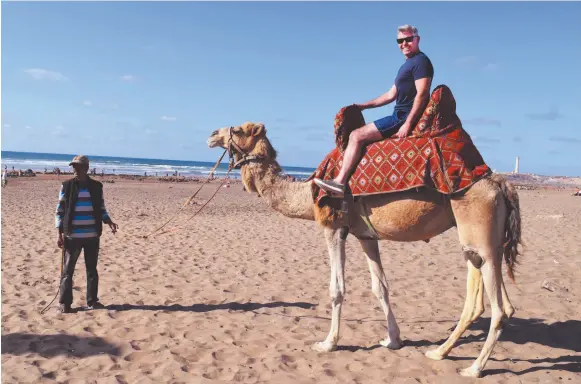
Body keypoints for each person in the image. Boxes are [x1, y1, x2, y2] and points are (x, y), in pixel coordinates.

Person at [314, 24, 434, 197]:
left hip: (402, 117)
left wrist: (407, 124)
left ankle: (340, 182)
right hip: (399, 115)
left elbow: (422, 94)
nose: (404, 44)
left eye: (408, 39)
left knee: (356, 136)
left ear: (417, 39)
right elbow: (390, 95)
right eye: (400, 41)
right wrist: (364, 106)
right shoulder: (407, 65)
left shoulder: (421, 62)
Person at [55, 155, 119, 313]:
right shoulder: (67, 186)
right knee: (68, 271)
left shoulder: (97, 187)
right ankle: (65, 303)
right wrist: (59, 233)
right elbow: (60, 211)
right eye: (73, 167)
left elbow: (101, 208)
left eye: (78, 166)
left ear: (86, 168)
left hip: (92, 236)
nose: (75, 170)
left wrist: (109, 221)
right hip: (72, 236)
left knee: (92, 270)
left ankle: (92, 301)